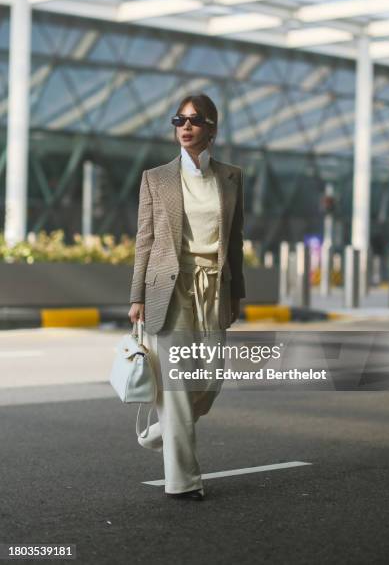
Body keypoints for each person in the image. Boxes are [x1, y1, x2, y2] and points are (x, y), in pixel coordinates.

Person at [128, 93, 245, 501]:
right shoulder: (155, 178)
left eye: (195, 120)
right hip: (169, 287)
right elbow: (144, 241)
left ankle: (165, 429)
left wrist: (236, 296)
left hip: (215, 287)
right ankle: (183, 481)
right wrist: (136, 295)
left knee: (210, 381)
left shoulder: (231, 177)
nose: (185, 126)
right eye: (179, 119)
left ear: (212, 128)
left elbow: (236, 242)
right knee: (176, 386)